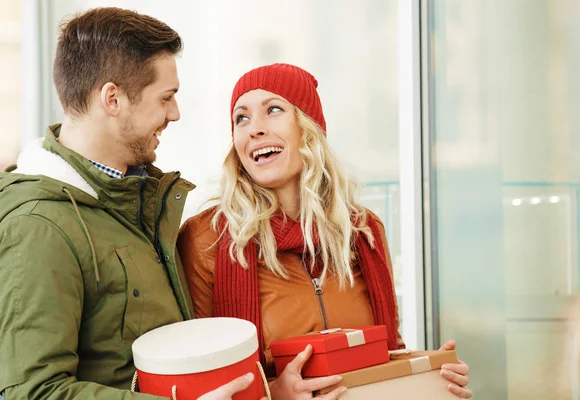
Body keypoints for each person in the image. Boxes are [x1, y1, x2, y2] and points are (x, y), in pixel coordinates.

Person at [0, 7, 261, 400]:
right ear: (113, 99)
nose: (175, 113)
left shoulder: (135, 200)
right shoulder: (39, 225)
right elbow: (34, 393)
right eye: (166, 97)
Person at [178, 63, 473, 399]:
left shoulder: (363, 231)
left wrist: (432, 373)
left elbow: (386, 350)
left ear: (308, 128)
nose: (254, 129)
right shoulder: (207, 238)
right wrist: (272, 393)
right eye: (241, 118)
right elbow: (201, 380)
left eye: (273, 110)